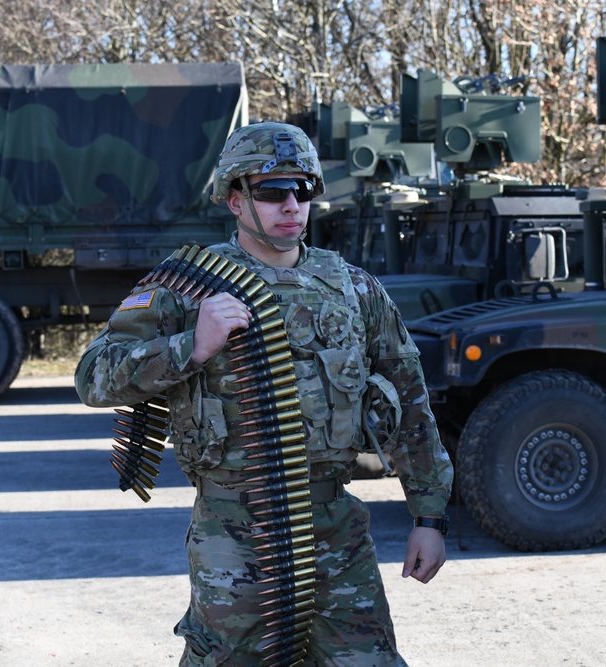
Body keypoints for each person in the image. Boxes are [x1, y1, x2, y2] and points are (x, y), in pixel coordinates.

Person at [74, 121, 453, 666]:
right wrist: (192, 346)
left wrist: (429, 517)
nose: (291, 205)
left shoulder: (354, 287)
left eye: (303, 190)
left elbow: (410, 400)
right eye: (272, 191)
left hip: (335, 529)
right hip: (234, 533)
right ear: (234, 199)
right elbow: (93, 376)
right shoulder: (183, 286)